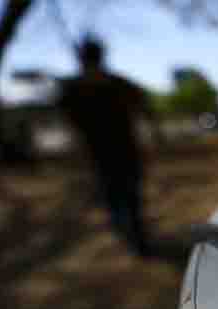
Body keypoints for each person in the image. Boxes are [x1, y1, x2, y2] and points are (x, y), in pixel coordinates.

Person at [58, 36, 158, 257]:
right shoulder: (114, 83)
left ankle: (132, 236)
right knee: (124, 197)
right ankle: (134, 237)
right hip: (118, 152)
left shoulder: (74, 88)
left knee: (120, 197)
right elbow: (144, 111)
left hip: (107, 153)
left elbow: (70, 125)